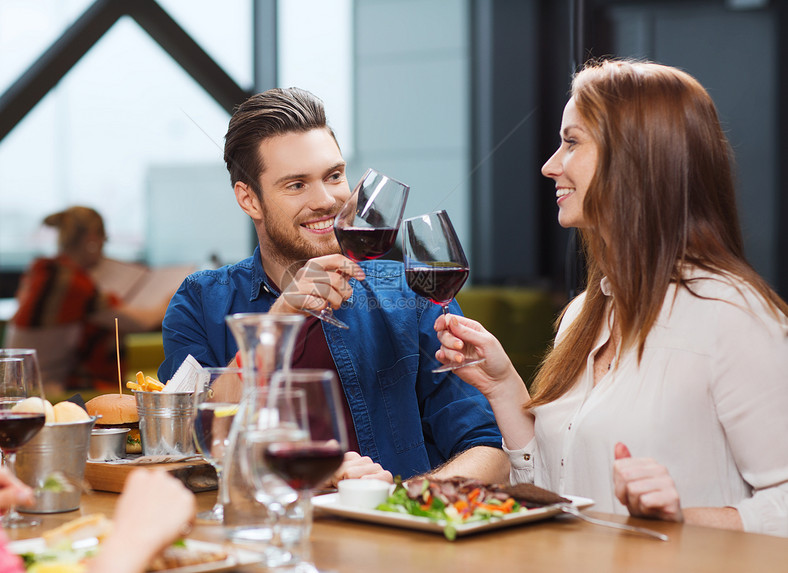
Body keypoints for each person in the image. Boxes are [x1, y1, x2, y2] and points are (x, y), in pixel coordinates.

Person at [434, 59, 788, 536]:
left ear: (637, 158)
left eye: (572, 142)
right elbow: (557, 489)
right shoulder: (584, 314)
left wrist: (684, 519)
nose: (550, 165)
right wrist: (504, 389)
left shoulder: (732, 318)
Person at [159, 87, 507, 483]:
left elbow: (490, 451)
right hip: (262, 530)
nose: (326, 199)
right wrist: (283, 316)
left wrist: (396, 502)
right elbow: (190, 440)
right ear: (249, 199)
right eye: (296, 185)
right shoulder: (200, 301)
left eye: (334, 176)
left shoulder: (411, 294)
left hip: (397, 533)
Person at [0, 99, 196, 573]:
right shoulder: (75, 281)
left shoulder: (42, 273)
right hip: (47, 393)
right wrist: (134, 538)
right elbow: (135, 321)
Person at [7, 206, 168, 391]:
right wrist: (169, 302)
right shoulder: (71, 283)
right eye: (104, 240)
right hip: (42, 391)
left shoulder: (45, 274)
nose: (103, 250)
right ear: (92, 239)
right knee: (130, 395)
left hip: (21, 384)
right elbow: (140, 323)